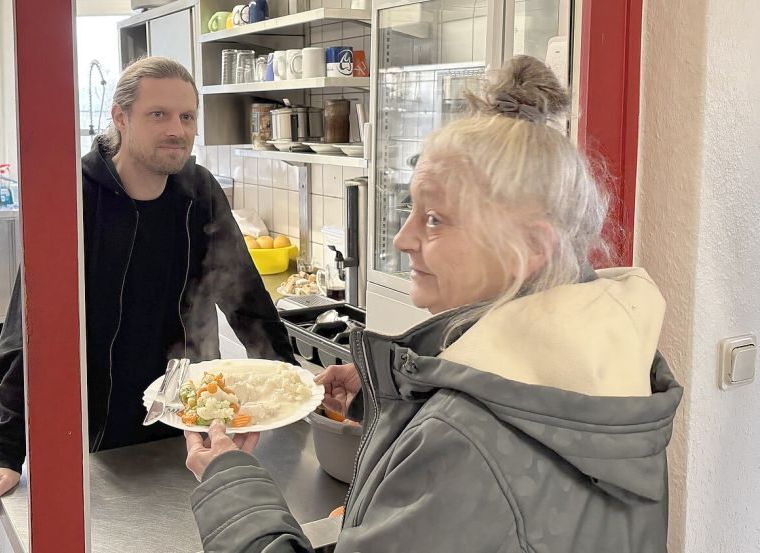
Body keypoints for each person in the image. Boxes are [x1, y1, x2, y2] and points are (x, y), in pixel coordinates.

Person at [184, 56, 683, 552]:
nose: (403, 238)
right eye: (411, 209)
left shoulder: (465, 441)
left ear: (532, 245)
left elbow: (477, 465)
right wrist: (395, 395)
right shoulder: (605, 368)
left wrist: (231, 483)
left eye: (436, 219)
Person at [0, 56, 297, 518]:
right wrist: (3, 449)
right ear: (120, 118)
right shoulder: (73, 196)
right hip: (96, 428)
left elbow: (245, 297)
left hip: (188, 418)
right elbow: (31, 332)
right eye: (158, 114)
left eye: (187, 116)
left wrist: (292, 381)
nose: (176, 130)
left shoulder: (199, 191)